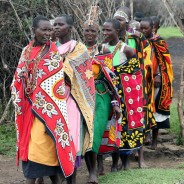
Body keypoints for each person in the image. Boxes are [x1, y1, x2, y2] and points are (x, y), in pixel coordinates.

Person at [11, 15, 76, 184]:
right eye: (44, 29)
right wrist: (21, 84)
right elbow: (18, 77)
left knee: (42, 147)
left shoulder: (52, 52)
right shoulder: (26, 50)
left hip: (47, 110)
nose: (48, 33)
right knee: (34, 147)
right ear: (34, 31)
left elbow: (54, 85)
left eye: (50, 29)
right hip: (27, 109)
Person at [53, 15, 96, 184]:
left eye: (60, 25)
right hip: (52, 101)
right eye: (54, 25)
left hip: (72, 100)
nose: (56, 27)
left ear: (70, 28)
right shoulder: (49, 48)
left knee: (71, 137)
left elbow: (81, 75)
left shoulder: (79, 49)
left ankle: (71, 178)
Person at [114, 6, 156, 168]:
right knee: (119, 121)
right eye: (115, 19)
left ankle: (140, 158)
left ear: (127, 21)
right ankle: (119, 158)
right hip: (117, 85)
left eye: (121, 19)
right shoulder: (110, 39)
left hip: (137, 85)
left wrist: (144, 78)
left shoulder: (137, 38)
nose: (118, 23)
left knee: (139, 118)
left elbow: (148, 59)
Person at [102, 18, 144, 171]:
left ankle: (125, 162)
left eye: (109, 30)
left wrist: (119, 78)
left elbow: (135, 74)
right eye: (103, 30)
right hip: (106, 92)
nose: (105, 33)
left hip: (124, 95)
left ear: (117, 32)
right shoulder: (101, 48)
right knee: (110, 124)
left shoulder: (126, 49)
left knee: (124, 125)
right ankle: (113, 161)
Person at [83, 20, 122, 183]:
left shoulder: (103, 50)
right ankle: (92, 169)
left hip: (101, 95)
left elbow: (111, 78)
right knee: (84, 133)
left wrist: (115, 103)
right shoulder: (77, 50)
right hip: (82, 96)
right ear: (82, 31)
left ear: (97, 33)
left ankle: (94, 171)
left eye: (93, 31)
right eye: (87, 31)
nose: (90, 34)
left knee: (96, 131)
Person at [140, 17, 173, 150]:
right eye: (141, 28)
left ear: (154, 28)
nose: (143, 31)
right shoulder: (139, 41)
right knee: (144, 107)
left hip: (156, 80)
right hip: (143, 80)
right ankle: (144, 137)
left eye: (146, 28)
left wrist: (158, 74)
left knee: (156, 110)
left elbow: (164, 61)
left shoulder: (158, 41)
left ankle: (154, 140)